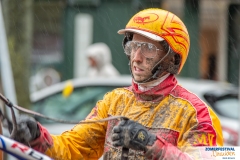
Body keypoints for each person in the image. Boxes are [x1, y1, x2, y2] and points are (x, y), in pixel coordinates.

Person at [12, 8, 223, 159]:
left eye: (148, 47)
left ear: (173, 58)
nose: (136, 57)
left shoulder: (197, 113)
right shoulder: (114, 101)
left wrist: (150, 144)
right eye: (133, 45)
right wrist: (38, 137)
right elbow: (74, 149)